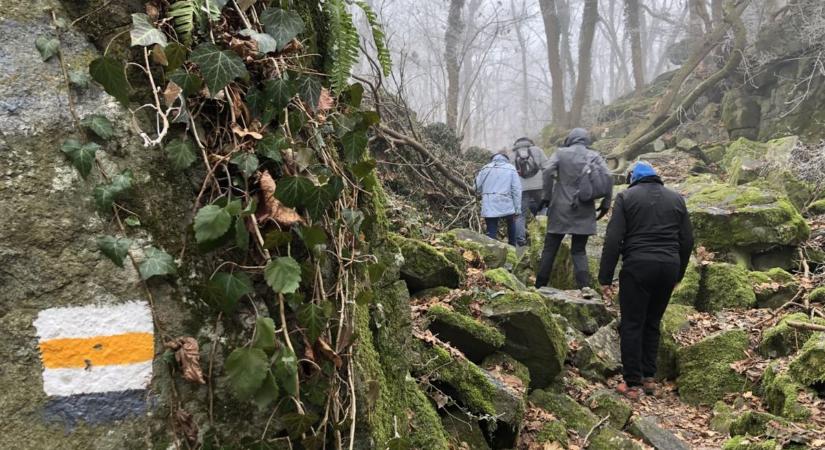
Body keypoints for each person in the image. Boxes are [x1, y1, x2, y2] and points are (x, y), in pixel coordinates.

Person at [598, 161, 694, 400]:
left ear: (633, 178)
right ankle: (649, 378)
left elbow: (613, 239)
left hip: (638, 266)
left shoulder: (626, 197)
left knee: (632, 323)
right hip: (668, 267)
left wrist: (605, 277)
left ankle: (632, 383)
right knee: (652, 321)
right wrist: (678, 274)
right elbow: (688, 240)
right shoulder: (676, 199)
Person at [535, 128, 611, 290]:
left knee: (550, 248)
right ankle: (585, 287)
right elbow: (608, 176)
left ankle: (540, 285)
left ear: (570, 139)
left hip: (560, 206)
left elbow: (547, 170)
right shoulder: (594, 156)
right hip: (584, 207)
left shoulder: (561, 153)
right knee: (579, 251)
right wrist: (606, 203)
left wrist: (546, 196)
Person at [476, 150, 522, 245]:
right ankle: (512, 246)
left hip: (489, 202)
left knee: (491, 229)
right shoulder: (511, 168)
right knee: (511, 221)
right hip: (506, 202)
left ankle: (490, 252)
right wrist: (517, 210)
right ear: (506, 159)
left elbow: (476, 187)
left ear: (492, 158)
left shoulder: (485, 168)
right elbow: (516, 190)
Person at [509, 137, 549, 246]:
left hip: (521, 188)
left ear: (516, 144)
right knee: (543, 208)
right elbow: (547, 167)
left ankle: (520, 241)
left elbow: (511, 174)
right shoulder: (538, 150)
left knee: (520, 214)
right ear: (530, 143)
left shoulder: (512, 155)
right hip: (539, 186)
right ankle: (541, 235)